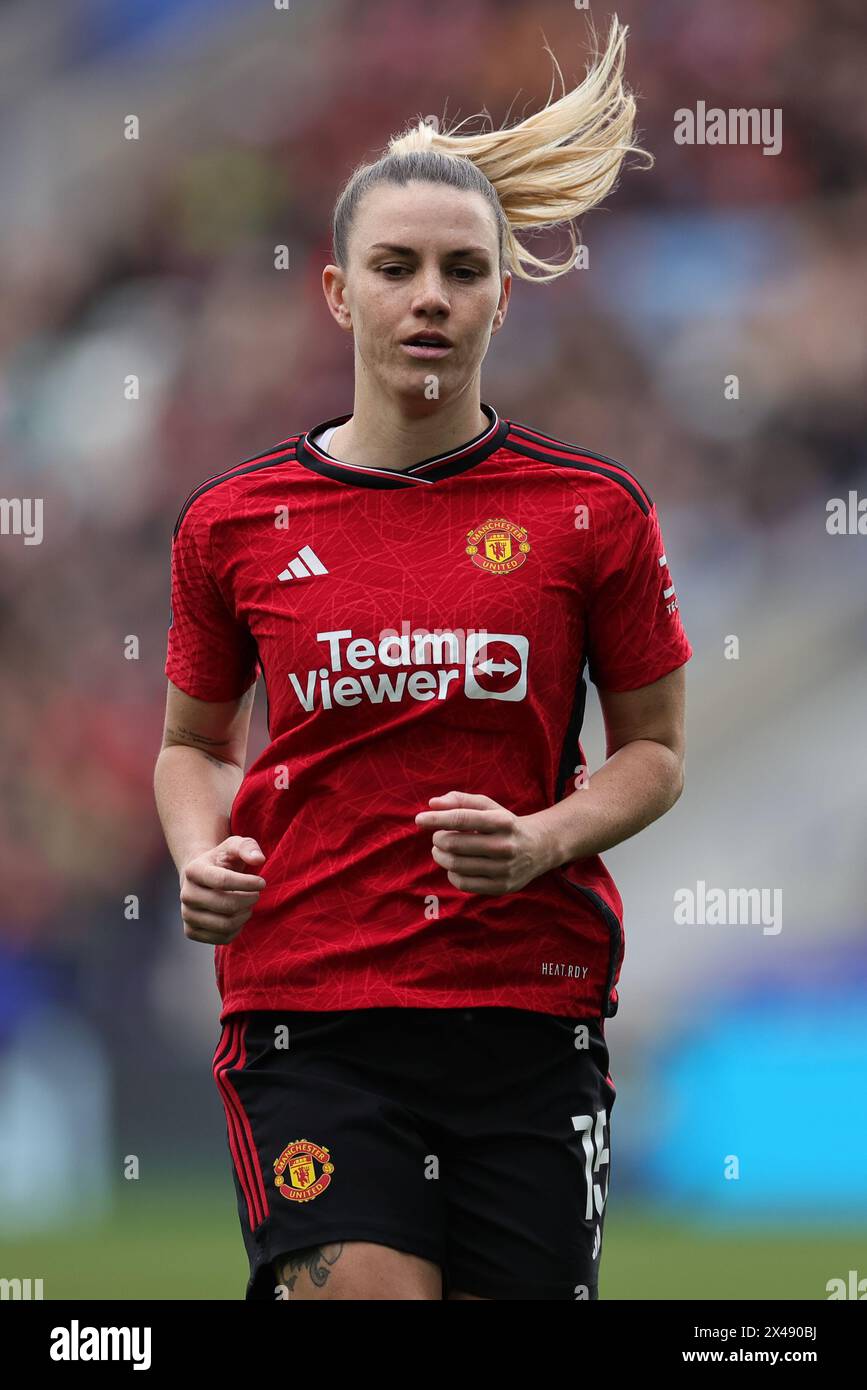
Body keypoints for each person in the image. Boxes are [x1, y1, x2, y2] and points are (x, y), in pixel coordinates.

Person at [154, 15, 692, 1301]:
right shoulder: (234, 523)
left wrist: (544, 838)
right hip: (313, 1010)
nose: (431, 296)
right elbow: (192, 747)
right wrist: (196, 853)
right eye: (397, 266)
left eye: (462, 269)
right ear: (341, 290)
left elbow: (658, 752)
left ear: (504, 292)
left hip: (529, 1012)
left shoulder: (591, 512)